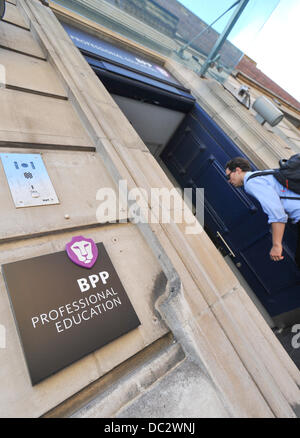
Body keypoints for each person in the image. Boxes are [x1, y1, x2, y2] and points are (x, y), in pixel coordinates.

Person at [225, 157, 300, 266]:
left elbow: (276, 212)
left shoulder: (252, 182)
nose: (229, 180)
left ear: (237, 170)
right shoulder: (263, 175)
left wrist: (276, 245)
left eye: (229, 176)